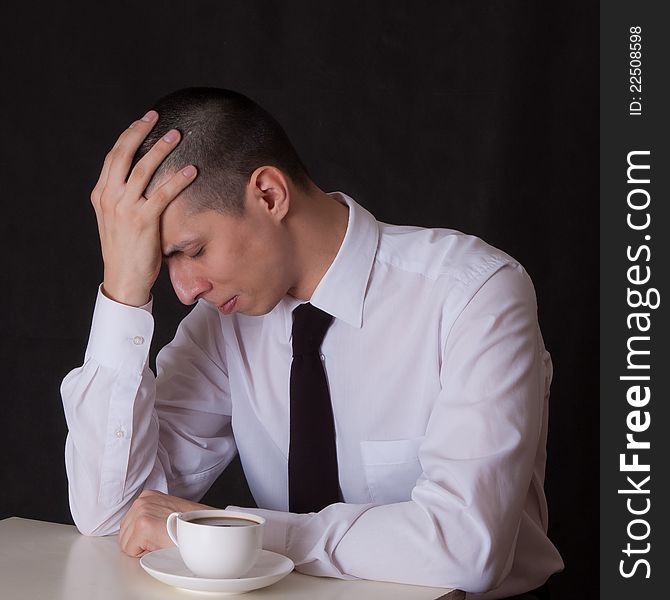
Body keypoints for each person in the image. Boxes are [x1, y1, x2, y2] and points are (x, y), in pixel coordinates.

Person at [61, 87, 563, 599]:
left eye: (192, 250)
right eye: (165, 263)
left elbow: (466, 549)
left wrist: (238, 531)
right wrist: (123, 294)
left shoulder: (473, 294)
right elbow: (114, 514)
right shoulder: (221, 324)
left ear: (270, 195)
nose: (186, 292)